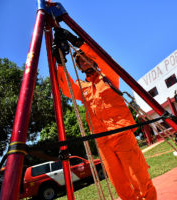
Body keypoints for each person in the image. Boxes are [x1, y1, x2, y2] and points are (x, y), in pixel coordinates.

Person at [52, 28, 157, 200]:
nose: (84, 63)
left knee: (139, 179)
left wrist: (79, 44)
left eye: (87, 59)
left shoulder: (108, 76)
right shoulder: (82, 87)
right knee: (121, 186)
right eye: (81, 62)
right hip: (102, 141)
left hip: (122, 134)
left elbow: (105, 60)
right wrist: (60, 64)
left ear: (93, 60)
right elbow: (66, 89)